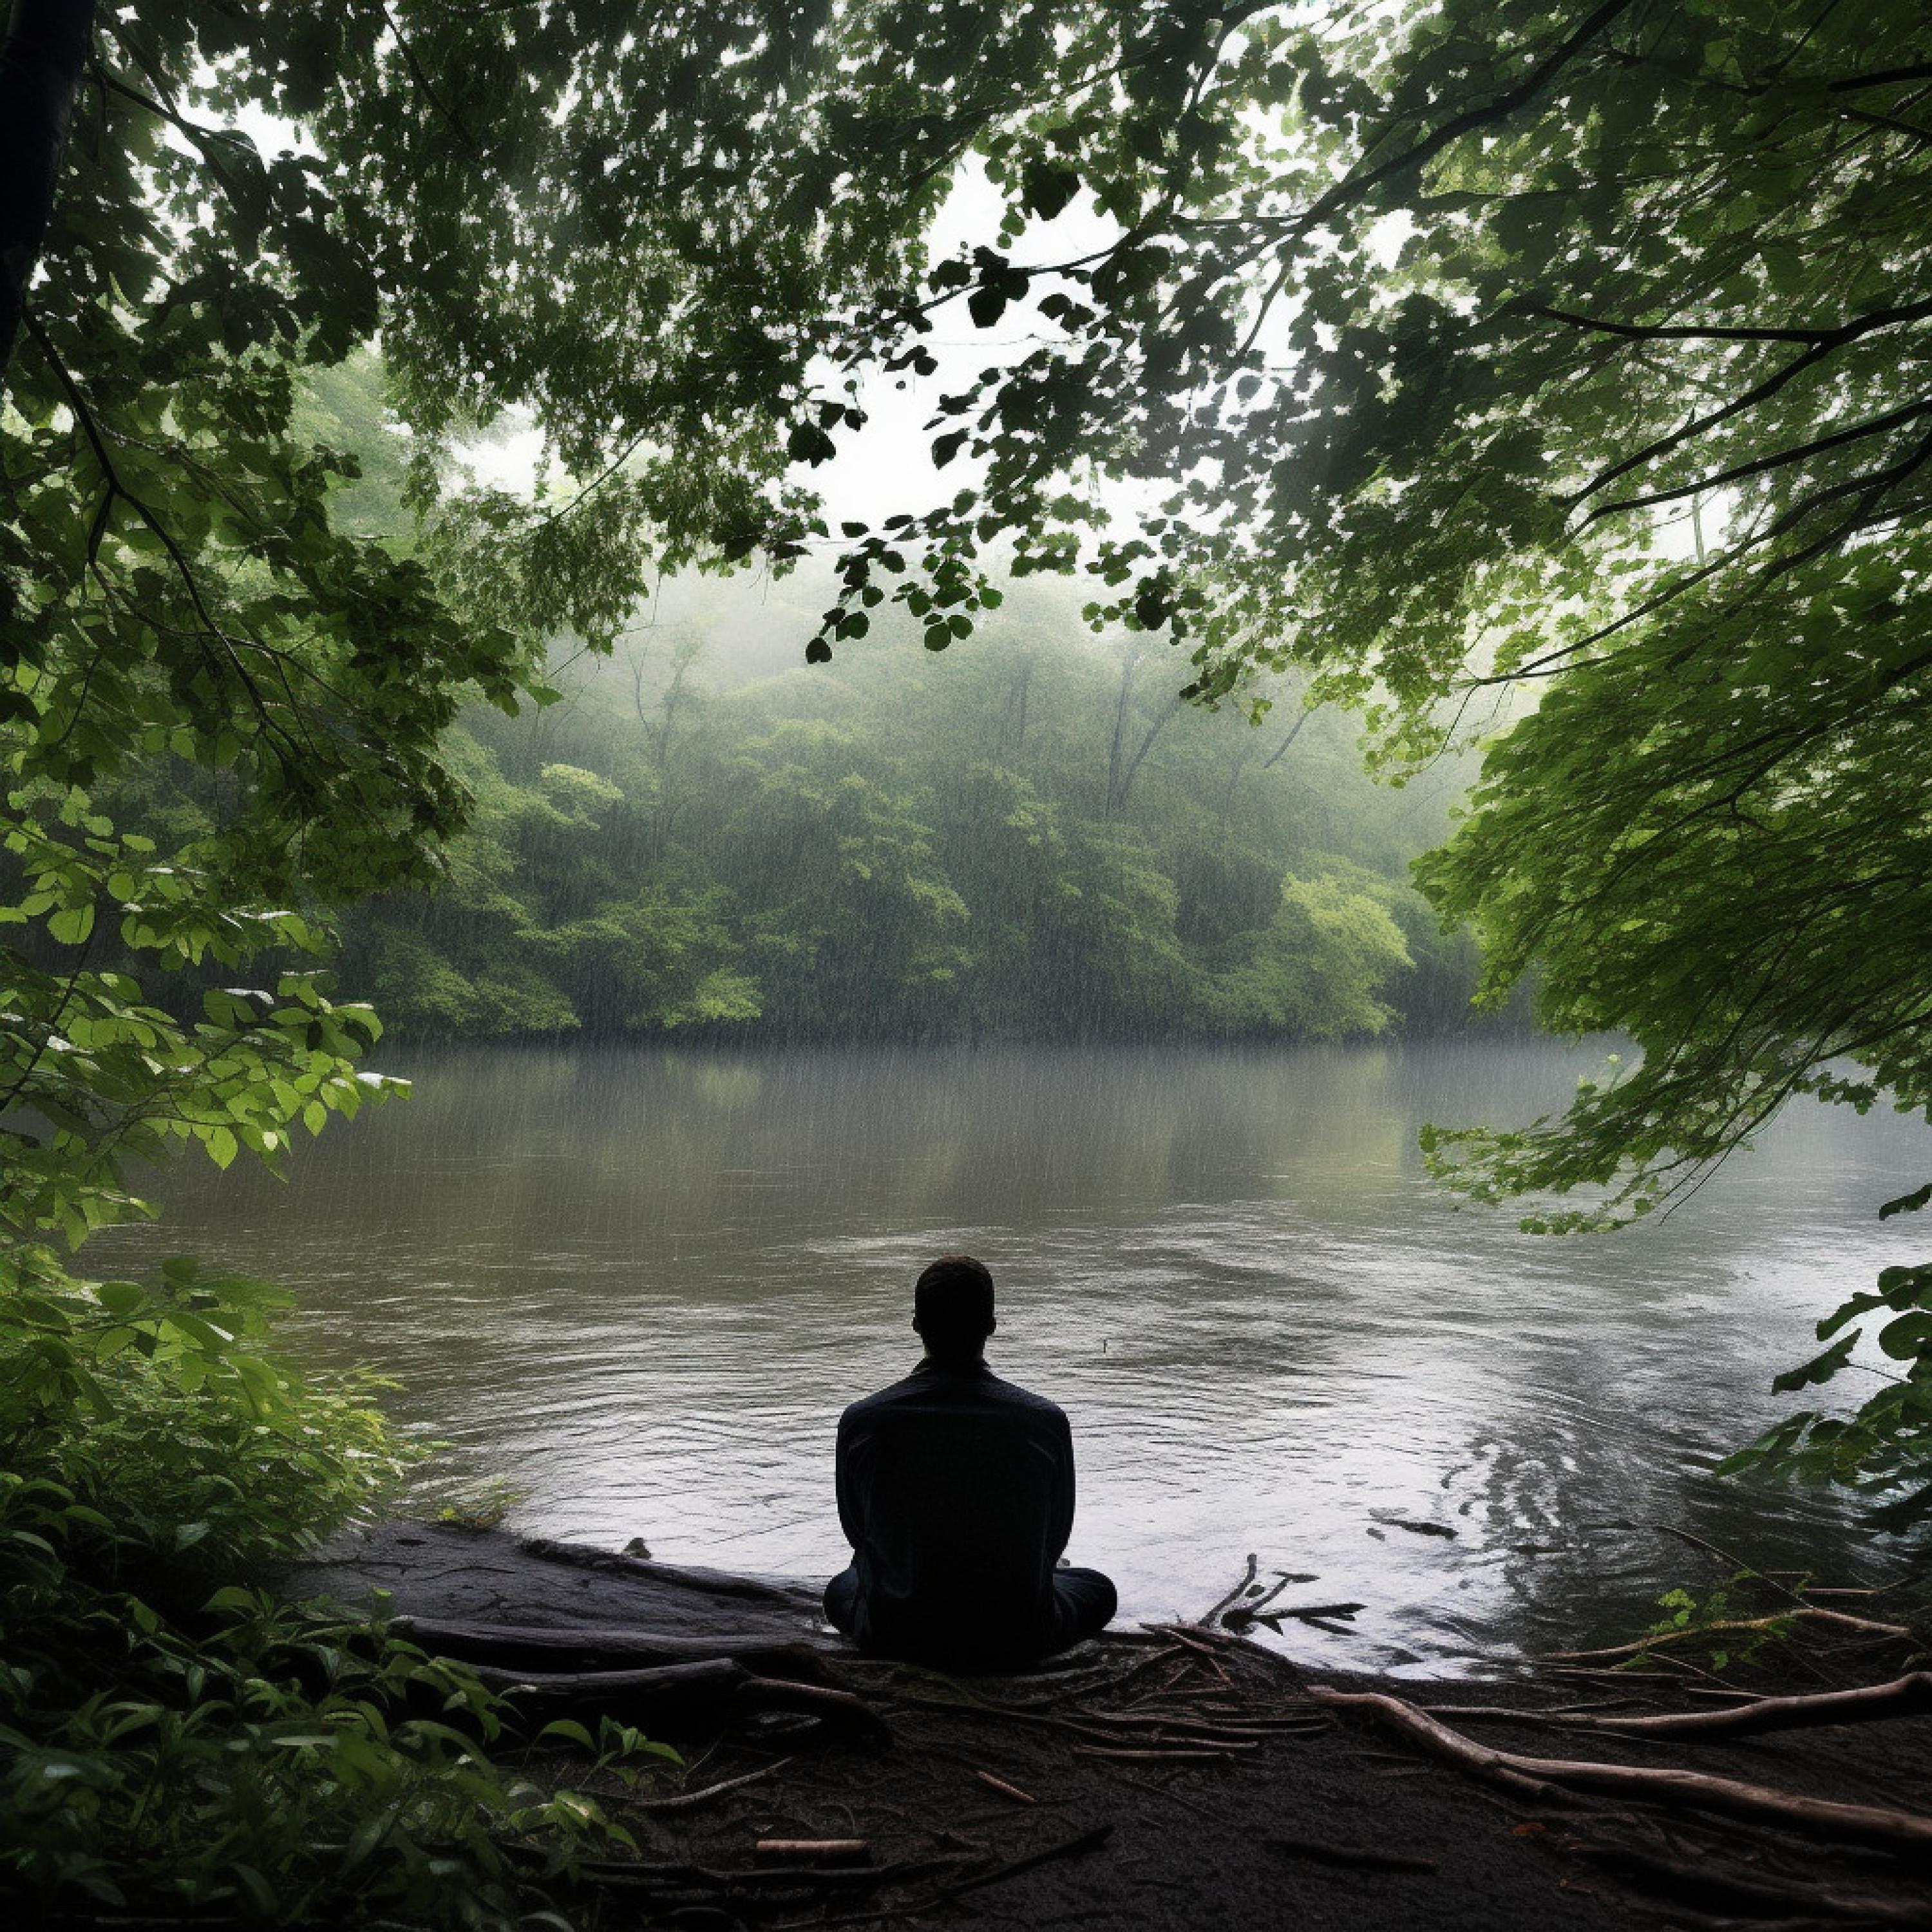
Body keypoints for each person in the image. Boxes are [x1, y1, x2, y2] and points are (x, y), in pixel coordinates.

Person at [823, 1254, 1117, 1671]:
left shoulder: (863, 1421)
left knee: (842, 1586)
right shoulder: (1044, 1422)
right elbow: (1055, 1540)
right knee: (1098, 1587)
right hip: (1017, 1635)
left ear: (917, 1325)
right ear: (991, 1327)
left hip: (897, 1635)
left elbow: (859, 1534)